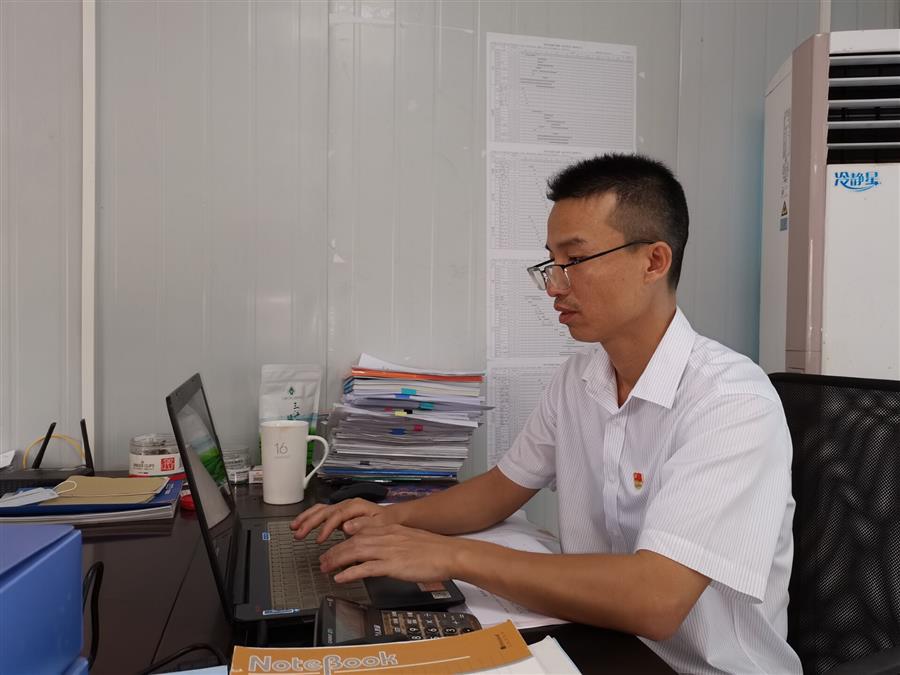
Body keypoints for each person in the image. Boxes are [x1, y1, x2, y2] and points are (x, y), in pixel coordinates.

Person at [292, 154, 800, 674]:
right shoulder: (579, 379)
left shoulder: (731, 401)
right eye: (551, 264)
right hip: (598, 641)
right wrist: (388, 519)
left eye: (574, 260)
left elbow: (656, 599)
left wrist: (450, 556)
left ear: (653, 262)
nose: (555, 286)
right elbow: (500, 490)